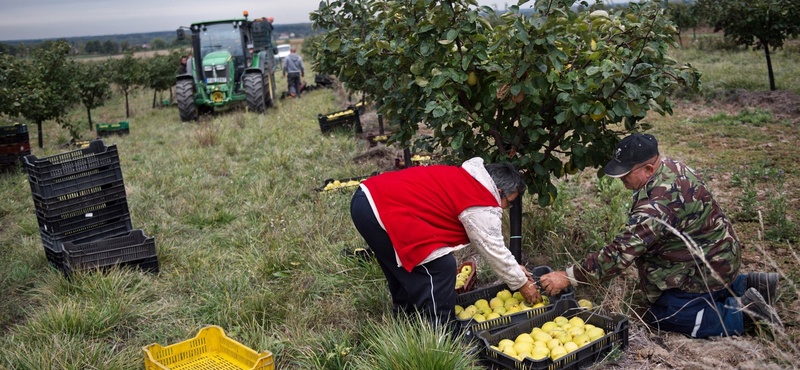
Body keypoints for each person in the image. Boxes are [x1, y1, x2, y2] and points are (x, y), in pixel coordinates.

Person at [540, 133, 782, 338]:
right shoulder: (671, 168)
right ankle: (751, 283)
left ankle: (747, 315)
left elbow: (619, 254)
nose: (622, 179)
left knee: (666, 316)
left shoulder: (656, 205)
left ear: (647, 168)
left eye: (626, 173)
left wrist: (568, 276)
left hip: (704, 267)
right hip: (719, 255)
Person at [350, 157, 542, 326]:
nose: (505, 207)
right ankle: (441, 331)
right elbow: (492, 248)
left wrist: (515, 270)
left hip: (367, 200)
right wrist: (521, 283)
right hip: (382, 209)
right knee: (440, 268)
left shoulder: (466, 179)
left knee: (405, 270)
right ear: (498, 191)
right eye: (508, 202)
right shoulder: (480, 198)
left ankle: (405, 321)